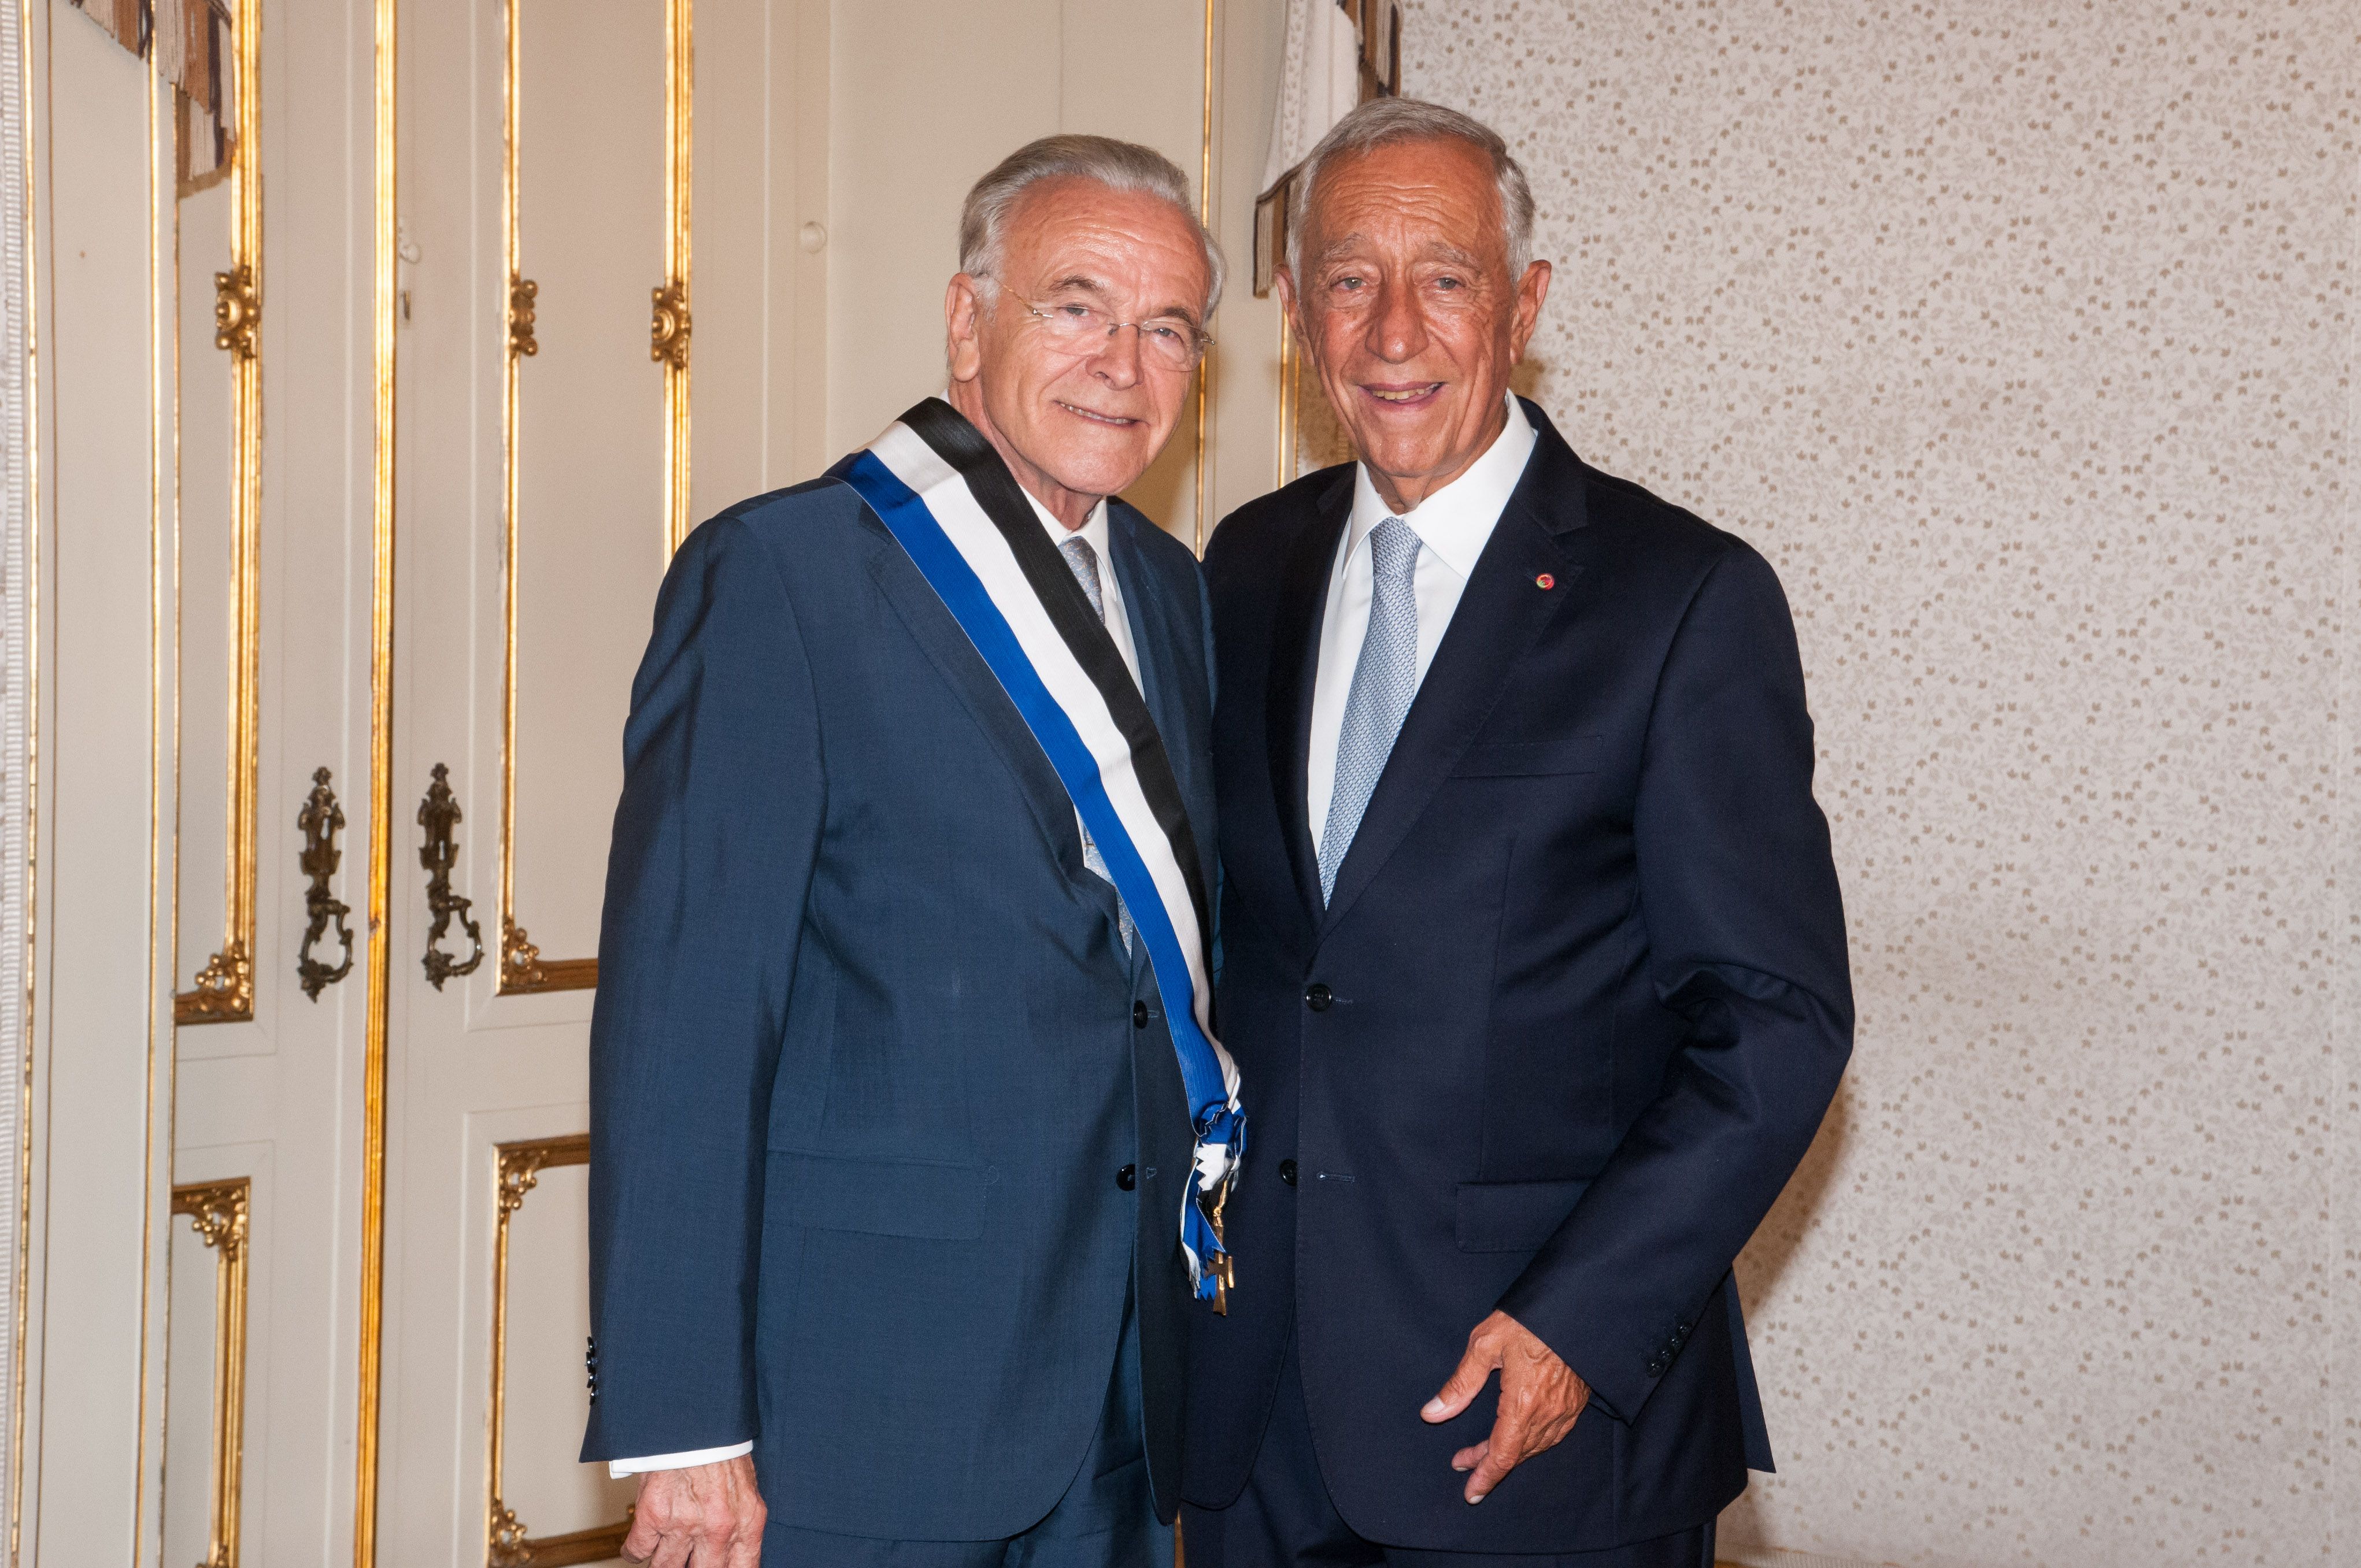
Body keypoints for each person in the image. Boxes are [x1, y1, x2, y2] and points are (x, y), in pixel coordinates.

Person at [1181, 97, 1853, 1567]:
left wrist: (1575, 1321)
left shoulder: (1680, 600)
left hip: (1531, 1425)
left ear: (1524, 302)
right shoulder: (1246, 566)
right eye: (1349, 278)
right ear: (1294, 310)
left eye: (1447, 276)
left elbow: (1774, 1021)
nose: (1393, 329)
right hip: (1255, 1422)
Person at [580, 134, 1241, 1568]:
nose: (1121, 363)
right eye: (1075, 305)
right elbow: (684, 1023)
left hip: (1119, 1399)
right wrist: (687, 1424)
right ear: (967, 320)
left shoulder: (1175, 597)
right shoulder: (782, 577)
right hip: (854, 1404)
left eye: (1168, 327)